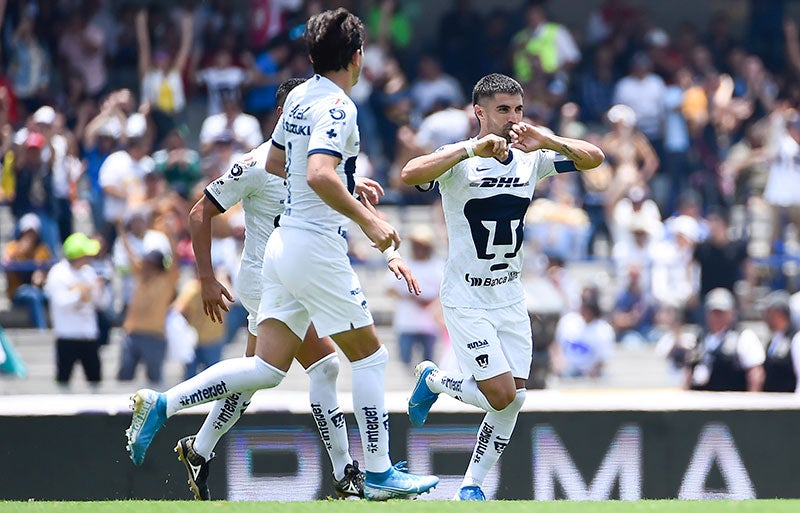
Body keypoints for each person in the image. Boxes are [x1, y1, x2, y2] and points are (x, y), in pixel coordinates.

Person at [124, 8, 439, 501]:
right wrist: (367, 216)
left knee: (268, 370)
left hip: (283, 249)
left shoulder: (297, 99)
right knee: (370, 359)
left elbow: (279, 161)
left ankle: (164, 406)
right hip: (313, 246)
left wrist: (346, 183)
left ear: (311, 54)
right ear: (357, 57)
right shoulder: (339, 106)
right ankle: (375, 473)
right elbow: (315, 174)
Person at [400, 73, 604, 500]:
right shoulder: (459, 158)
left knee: (515, 401)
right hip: (467, 297)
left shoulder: (531, 157)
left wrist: (548, 140)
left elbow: (594, 158)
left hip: (509, 296)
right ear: (479, 112)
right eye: (503, 110)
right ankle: (435, 380)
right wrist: (471, 148)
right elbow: (409, 173)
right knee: (499, 393)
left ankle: (471, 485)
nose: (513, 118)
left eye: (518, 109)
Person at [172, 78, 366, 501]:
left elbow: (329, 190)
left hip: (297, 277)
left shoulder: (319, 161)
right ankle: (346, 476)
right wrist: (205, 277)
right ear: (285, 116)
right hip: (267, 279)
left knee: (254, 379)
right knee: (324, 366)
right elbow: (200, 212)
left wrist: (356, 187)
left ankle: (199, 448)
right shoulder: (257, 163)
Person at [43, 233, 105, 391]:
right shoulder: (58, 273)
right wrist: (79, 293)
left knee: (95, 380)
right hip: (67, 336)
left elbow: (98, 302)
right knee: (63, 380)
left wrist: (97, 290)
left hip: (88, 335)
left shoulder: (88, 272)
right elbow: (60, 302)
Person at [685, 288, 765, 392]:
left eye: (720, 313)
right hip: (702, 398)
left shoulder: (743, 337)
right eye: (713, 312)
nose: (716, 317)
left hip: (730, 400)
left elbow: (755, 373)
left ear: (731, 313)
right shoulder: (700, 338)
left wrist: (751, 401)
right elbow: (689, 371)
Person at [2, 213, 53, 329]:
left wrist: (41, 275)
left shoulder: (42, 250)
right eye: (27, 232)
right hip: (17, 291)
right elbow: (5, 263)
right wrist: (18, 253)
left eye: (32, 233)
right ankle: (41, 331)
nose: (30, 236)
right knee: (32, 295)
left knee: (49, 295)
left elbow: (47, 270)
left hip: (38, 289)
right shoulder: (12, 247)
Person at [759, 291, 800, 393]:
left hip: (788, 401)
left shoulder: (795, 339)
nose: (766, 317)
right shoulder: (772, 340)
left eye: (769, 312)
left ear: (780, 313)